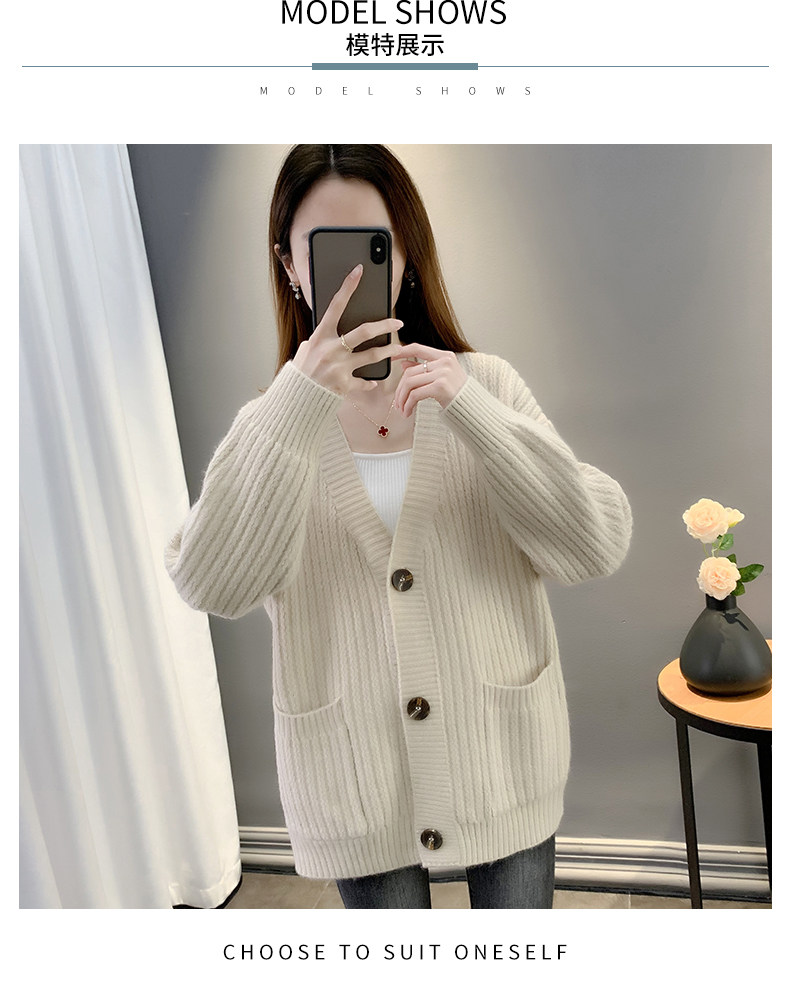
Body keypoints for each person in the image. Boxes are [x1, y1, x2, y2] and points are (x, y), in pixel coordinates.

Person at [165, 144, 632, 909]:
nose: (351, 275)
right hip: (355, 778)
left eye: (373, 247)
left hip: (500, 757)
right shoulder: (273, 427)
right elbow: (212, 582)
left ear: (406, 252)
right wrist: (296, 403)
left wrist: (473, 411)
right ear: (289, 266)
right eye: (326, 250)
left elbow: (595, 542)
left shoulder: (485, 386)